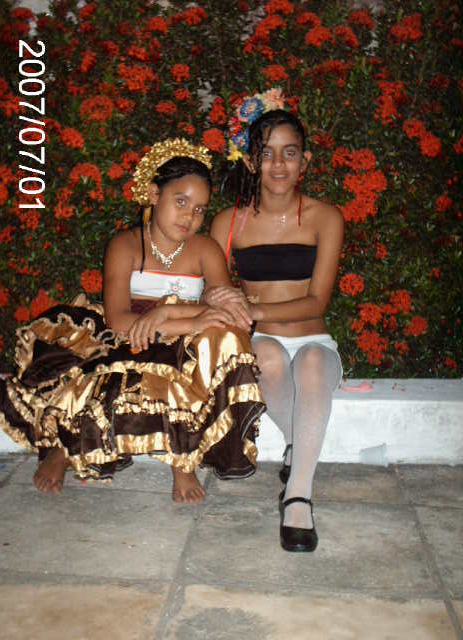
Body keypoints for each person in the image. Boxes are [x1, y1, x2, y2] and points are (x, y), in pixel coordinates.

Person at [0, 138, 265, 503]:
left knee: (224, 340)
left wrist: (168, 313)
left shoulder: (205, 249)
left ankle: (183, 459)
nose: (189, 217)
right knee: (103, 376)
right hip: (128, 336)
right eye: (180, 202)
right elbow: (118, 321)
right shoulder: (125, 245)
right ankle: (62, 449)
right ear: (154, 194)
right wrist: (172, 317)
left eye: (199, 210)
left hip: (183, 339)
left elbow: (223, 313)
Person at [209, 100, 344, 551]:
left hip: (314, 339)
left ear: (305, 160)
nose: (279, 164)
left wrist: (255, 310)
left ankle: (298, 497)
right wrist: (222, 301)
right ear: (251, 161)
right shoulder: (229, 222)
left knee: (310, 360)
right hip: (263, 341)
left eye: (290, 153)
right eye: (266, 153)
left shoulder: (325, 217)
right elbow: (210, 285)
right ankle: (297, 444)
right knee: (264, 355)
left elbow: (317, 301)